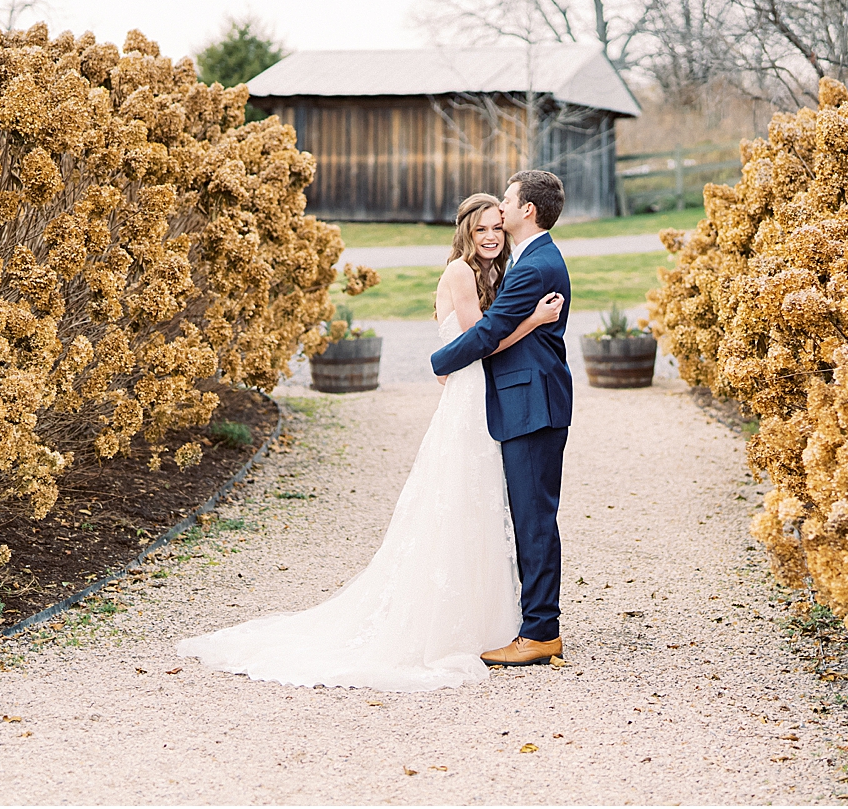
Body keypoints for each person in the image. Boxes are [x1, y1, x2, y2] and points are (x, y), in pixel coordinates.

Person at [175, 192, 564, 690]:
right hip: (470, 396)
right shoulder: (462, 274)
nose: (491, 235)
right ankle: (449, 622)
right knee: (458, 502)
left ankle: (491, 618)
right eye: (481, 228)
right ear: (465, 231)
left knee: (484, 507)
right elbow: (479, 340)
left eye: (496, 226)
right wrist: (529, 321)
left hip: (487, 400)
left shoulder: (499, 272)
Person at [431, 169, 572, 668]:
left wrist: (438, 361)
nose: (502, 212)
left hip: (532, 406)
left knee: (533, 520)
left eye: (507, 203)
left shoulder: (533, 266)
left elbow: (489, 332)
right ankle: (532, 623)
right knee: (528, 516)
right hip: (526, 402)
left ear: (525, 210)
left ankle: (539, 632)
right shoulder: (530, 260)